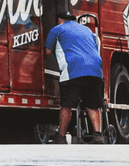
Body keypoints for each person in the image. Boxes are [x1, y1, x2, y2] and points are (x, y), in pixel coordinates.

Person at [45, 8, 105, 144]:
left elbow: (47, 52)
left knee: (66, 105)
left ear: (60, 20)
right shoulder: (87, 30)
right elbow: (97, 45)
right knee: (93, 105)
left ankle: (60, 137)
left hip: (73, 71)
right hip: (95, 70)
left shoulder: (57, 29)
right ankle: (98, 135)